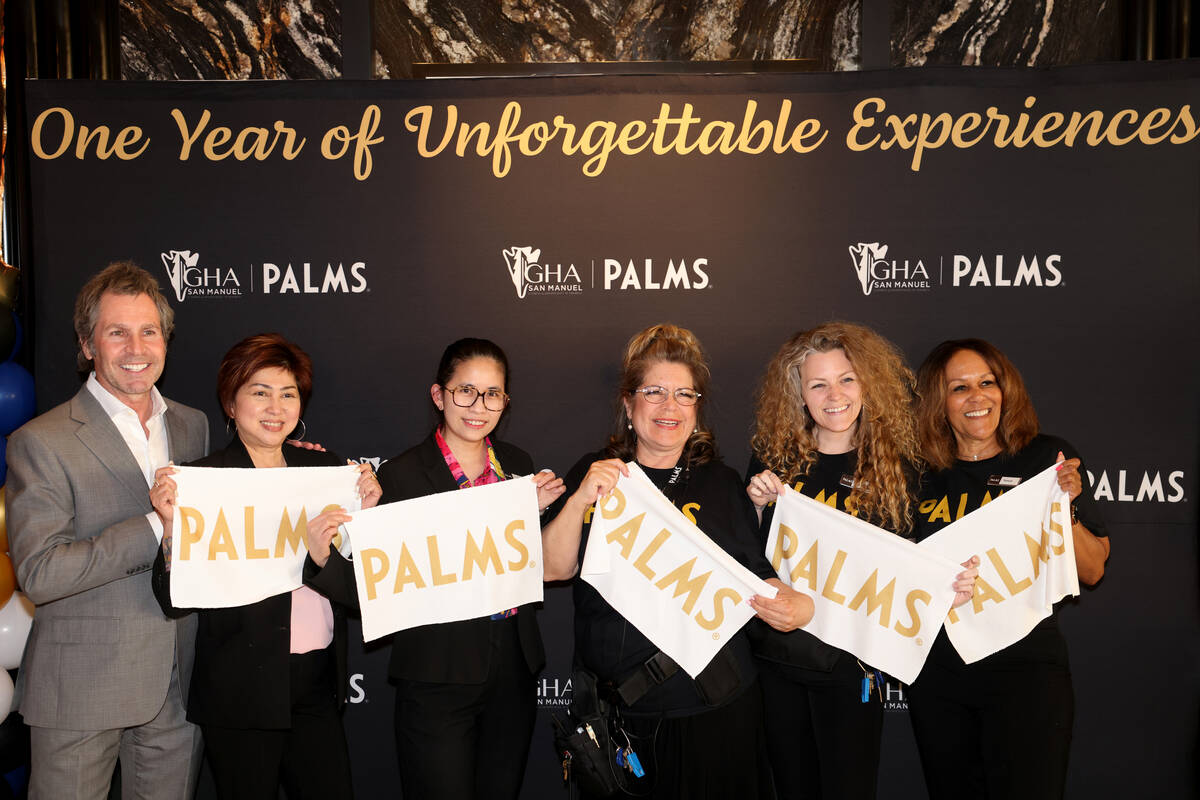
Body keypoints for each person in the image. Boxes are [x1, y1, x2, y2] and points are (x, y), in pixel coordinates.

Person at [542, 323, 812, 799]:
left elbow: (758, 575)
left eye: (684, 395)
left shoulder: (721, 482)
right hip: (622, 715)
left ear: (696, 409)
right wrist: (582, 495)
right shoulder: (596, 473)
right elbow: (553, 569)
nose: (670, 407)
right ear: (629, 405)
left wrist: (798, 606)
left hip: (712, 707)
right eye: (655, 392)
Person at [744, 321, 977, 800]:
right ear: (799, 394)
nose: (835, 394)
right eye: (818, 383)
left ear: (867, 383)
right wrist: (756, 506)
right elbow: (744, 554)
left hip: (853, 664)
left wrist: (951, 586)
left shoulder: (901, 466)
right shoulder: (772, 461)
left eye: (847, 379)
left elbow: (918, 562)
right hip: (779, 659)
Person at [6, 261, 209, 799]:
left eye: (149, 331)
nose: (135, 347)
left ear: (165, 339)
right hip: (80, 690)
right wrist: (151, 524)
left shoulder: (193, 426)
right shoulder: (41, 440)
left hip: (176, 686)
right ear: (87, 344)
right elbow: (40, 573)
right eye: (116, 332)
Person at [149, 333, 380, 799]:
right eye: (260, 392)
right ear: (230, 404)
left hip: (316, 683)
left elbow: (362, 590)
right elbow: (172, 600)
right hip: (239, 694)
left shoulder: (325, 472)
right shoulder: (204, 480)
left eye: (288, 394)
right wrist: (172, 527)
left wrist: (361, 523)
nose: (276, 407)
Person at [906, 338, 1110, 800]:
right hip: (939, 672)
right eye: (959, 388)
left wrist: (1067, 508)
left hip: (1027, 671)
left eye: (987, 382)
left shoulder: (1046, 458)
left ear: (1006, 390)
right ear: (939, 404)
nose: (977, 397)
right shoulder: (915, 473)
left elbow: (1094, 570)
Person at [373, 337, 564, 800]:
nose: (479, 406)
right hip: (438, 672)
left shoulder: (516, 465)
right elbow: (388, 579)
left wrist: (531, 513)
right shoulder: (400, 476)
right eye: (465, 391)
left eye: (493, 394)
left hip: (512, 668)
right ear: (439, 396)